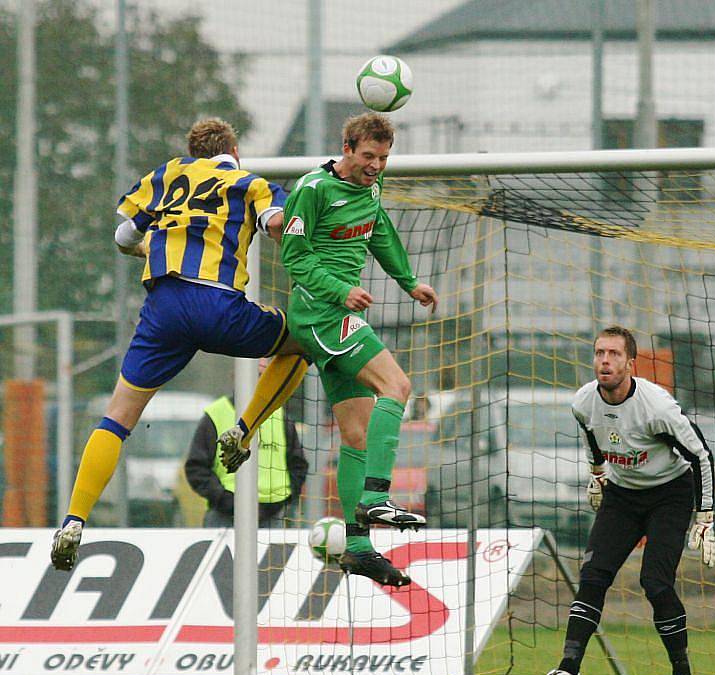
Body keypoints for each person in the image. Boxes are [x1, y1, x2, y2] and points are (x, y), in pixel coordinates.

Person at [50, 117, 309, 571]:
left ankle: (74, 519)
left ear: (194, 150)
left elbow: (124, 236)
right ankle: (243, 431)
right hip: (219, 306)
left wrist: (145, 248)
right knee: (303, 341)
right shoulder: (250, 183)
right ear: (234, 151)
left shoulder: (168, 175)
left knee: (117, 417)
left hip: (163, 310)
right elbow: (277, 225)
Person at [277, 112, 438, 587]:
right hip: (321, 313)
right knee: (398, 385)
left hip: (339, 316)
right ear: (347, 148)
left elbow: (380, 231)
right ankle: (376, 495)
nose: (376, 166)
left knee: (355, 435)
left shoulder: (370, 189)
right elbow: (294, 255)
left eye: (384, 158)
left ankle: (360, 545)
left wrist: (409, 282)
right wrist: (338, 290)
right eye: (368, 156)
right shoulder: (312, 188)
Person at [534, 325, 715, 675]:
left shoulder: (657, 406)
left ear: (630, 363)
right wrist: (597, 476)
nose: (605, 360)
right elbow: (592, 439)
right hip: (622, 496)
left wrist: (706, 516)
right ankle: (568, 669)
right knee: (593, 575)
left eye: (614, 354)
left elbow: (701, 456)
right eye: (600, 352)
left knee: (655, 581)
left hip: (669, 494)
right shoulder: (583, 402)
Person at [185, 389, 308, 528]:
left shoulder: (279, 416)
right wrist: (224, 499)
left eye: (263, 374)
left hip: (273, 516)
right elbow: (196, 468)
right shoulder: (216, 414)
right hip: (224, 517)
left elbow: (299, 465)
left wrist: (282, 500)